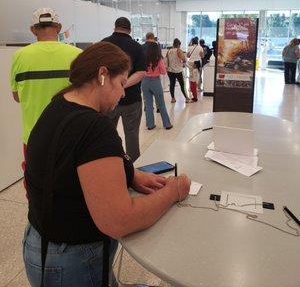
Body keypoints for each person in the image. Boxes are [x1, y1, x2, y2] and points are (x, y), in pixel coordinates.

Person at [23, 41, 191, 287]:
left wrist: (130, 173)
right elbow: (119, 220)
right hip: (72, 260)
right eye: (121, 83)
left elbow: (72, 162)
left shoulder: (58, 104)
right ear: (103, 75)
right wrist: (173, 192)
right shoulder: (94, 127)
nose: (123, 93)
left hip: (41, 245)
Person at [10, 7, 81, 174]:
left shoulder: (19, 56)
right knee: (70, 179)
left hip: (33, 135)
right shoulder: (77, 54)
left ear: (33, 29)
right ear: (59, 27)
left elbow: (17, 97)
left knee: (36, 181)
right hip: (70, 132)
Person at [102, 17, 146, 162]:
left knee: (106, 136)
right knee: (132, 135)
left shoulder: (104, 44)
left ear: (114, 27)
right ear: (130, 29)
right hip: (132, 100)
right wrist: (122, 85)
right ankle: (134, 170)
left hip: (107, 100)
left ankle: (109, 164)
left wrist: (113, 85)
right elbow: (141, 73)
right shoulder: (137, 47)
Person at [142, 42, 173, 130]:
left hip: (144, 82)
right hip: (155, 81)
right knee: (161, 103)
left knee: (148, 104)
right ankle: (167, 124)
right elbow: (163, 72)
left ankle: (150, 125)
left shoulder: (144, 59)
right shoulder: (158, 59)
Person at [166, 38, 190, 103]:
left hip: (170, 71)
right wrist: (183, 61)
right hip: (178, 71)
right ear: (179, 44)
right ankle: (187, 98)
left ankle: (173, 98)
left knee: (172, 84)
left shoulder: (169, 51)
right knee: (182, 85)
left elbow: (167, 60)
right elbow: (184, 59)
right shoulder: (179, 50)